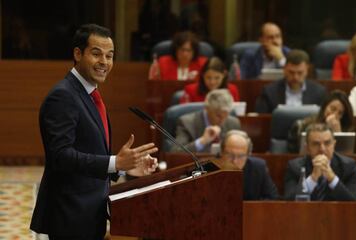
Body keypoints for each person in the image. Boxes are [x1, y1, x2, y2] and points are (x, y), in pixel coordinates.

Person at [30, 24, 159, 239]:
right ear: (78, 54)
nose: (104, 62)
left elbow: (90, 150)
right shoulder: (63, 96)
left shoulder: (89, 93)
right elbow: (61, 156)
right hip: (69, 214)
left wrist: (126, 168)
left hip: (89, 211)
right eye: (96, 54)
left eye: (110, 56)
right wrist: (115, 162)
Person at [284, 123, 356, 201]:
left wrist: (332, 178)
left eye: (327, 143)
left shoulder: (348, 166)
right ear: (307, 148)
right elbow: (289, 202)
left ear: (334, 144)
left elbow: (355, 203)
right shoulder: (295, 167)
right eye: (316, 144)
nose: (322, 149)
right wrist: (312, 179)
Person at [255, 49, 327, 113]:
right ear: (284, 70)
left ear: (307, 70)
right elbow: (261, 119)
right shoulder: (269, 92)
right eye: (291, 72)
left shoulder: (319, 92)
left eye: (300, 73)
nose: (295, 77)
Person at [172, 89, 241, 153]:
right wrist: (202, 141)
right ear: (207, 109)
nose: (222, 120)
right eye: (218, 116)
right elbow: (176, 152)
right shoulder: (186, 123)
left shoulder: (233, 123)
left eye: (226, 115)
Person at [287, 90, 354, 153]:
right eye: (332, 109)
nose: (335, 115)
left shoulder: (347, 130)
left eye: (340, 113)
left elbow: (343, 159)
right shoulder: (305, 125)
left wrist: (338, 135)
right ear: (325, 107)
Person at [219, 130, 278, 200]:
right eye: (229, 155)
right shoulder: (206, 168)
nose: (235, 161)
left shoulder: (258, 168)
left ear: (248, 155)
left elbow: (272, 198)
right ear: (221, 153)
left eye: (241, 156)